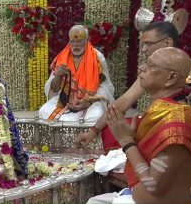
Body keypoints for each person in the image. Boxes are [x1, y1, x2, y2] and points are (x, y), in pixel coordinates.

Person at [88, 47, 191, 204]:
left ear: (171, 77)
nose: (142, 68)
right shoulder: (161, 109)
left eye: (151, 65)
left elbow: (153, 186)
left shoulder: (176, 124)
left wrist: (126, 141)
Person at [75, 21, 179, 150]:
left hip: (176, 127)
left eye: (149, 44)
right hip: (153, 121)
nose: (144, 49)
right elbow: (125, 101)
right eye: (143, 44)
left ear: (168, 43)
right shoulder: (150, 70)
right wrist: (93, 131)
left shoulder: (190, 68)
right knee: (110, 130)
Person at [38, 25, 115, 123]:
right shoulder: (62, 57)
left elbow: (106, 88)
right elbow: (54, 89)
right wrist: (58, 75)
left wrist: (87, 102)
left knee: (97, 115)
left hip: (90, 99)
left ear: (87, 40)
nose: (75, 45)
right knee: (43, 111)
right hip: (65, 98)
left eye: (79, 41)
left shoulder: (97, 58)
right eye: (72, 42)